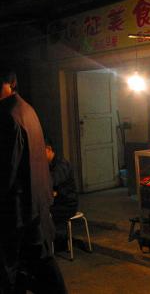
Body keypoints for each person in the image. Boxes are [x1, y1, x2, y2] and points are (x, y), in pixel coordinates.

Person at [0, 69, 67, 293]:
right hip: (36, 201)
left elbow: (7, 169)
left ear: (10, 83)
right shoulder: (26, 109)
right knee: (41, 261)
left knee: (11, 268)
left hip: (18, 208)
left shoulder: (9, 115)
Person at [45, 138, 78, 248]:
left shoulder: (61, 164)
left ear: (48, 149)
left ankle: (51, 244)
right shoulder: (49, 165)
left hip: (67, 205)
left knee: (41, 213)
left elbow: (53, 181)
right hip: (57, 202)